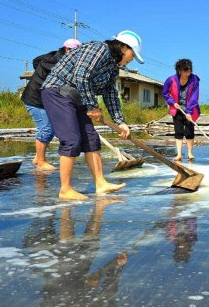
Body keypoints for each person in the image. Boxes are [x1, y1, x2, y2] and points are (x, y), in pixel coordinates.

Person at [41, 30, 144, 200]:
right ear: (124, 47)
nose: (132, 59)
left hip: (78, 97)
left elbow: (110, 94)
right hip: (58, 92)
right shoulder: (98, 49)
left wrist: (120, 122)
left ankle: (100, 183)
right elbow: (82, 76)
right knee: (72, 139)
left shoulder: (113, 67)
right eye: (132, 54)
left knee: (91, 139)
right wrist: (92, 106)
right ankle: (65, 189)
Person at [21, 39, 82, 170]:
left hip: (45, 99)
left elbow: (35, 61)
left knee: (51, 128)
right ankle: (41, 161)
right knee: (46, 129)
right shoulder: (58, 63)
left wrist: (39, 74)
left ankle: (38, 158)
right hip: (35, 98)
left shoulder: (50, 56)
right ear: (67, 49)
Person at [162, 59, 200, 161]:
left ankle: (190, 153)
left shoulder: (194, 80)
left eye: (189, 70)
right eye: (186, 70)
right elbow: (165, 93)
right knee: (178, 132)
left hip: (190, 110)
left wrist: (189, 112)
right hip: (177, 109)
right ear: (179, 70)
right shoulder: (171, 80)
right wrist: (172, 102)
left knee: (189, 132)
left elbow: (194, 97)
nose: (188, 72)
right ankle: (179, 154)